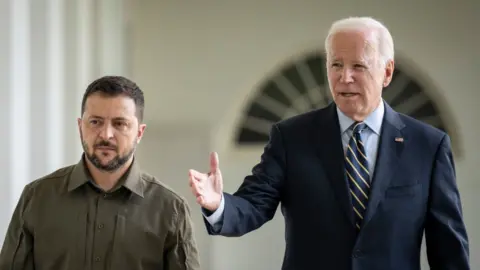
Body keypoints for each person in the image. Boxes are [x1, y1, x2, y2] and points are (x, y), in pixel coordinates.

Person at [188, 17, 470, 270]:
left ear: (387, 72)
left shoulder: (428, 146)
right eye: (336, 64)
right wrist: (218, 205)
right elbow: (253, 205)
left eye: (358, 65)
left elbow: (448, 248)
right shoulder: (292, 137)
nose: (344, 77)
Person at [0, 76, 201, 270]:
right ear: (80, 127)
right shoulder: (36, 197)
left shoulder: (171, 209)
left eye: (120, 124)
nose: (106, 135)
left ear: (139, 133)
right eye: (95, 122)